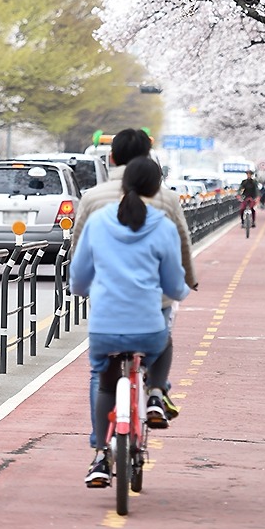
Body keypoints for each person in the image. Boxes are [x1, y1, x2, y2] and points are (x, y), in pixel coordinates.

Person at [72, 128, 197, 447]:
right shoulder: (165, 203)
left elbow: (79, 254)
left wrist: (84, 288)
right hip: (153, 303)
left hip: (106, 307)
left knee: (101, 377)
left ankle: (100, 447)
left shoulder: (93, 201)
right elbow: (181, 243)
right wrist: (186, 283)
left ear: (112, 159)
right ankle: (156, 392)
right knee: (161, 337)